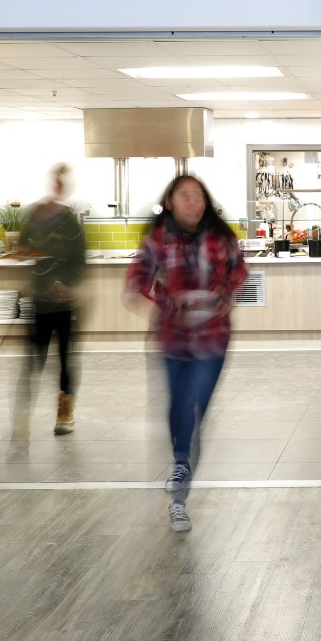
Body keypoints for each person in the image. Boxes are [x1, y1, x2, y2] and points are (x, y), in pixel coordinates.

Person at [124, 175, 247, 533]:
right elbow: (135, 284)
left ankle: (182, 466)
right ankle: (180, 482)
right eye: (184, 196)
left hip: (212, 338)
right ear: (172, 201)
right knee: (179, 405)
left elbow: (239, 272)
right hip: (172, 339)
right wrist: (164, 305)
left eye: (198, 196)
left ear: (205, 201)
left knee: (196, 408)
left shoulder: (222, 238)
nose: (192, 202)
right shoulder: (158, 240)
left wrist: (223, 295)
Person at [13, 163, 87, 442]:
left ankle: (65, 413)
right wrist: (22, 253)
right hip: (39, 301)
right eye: (56, 182)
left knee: (66, 359)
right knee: (32, 361)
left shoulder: (71, 222)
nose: (58, 187)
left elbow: (80, 262)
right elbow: (22, 246)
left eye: (63, 183)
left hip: (65, 304)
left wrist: (66, 283)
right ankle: (23, 420)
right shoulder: (34, 215)